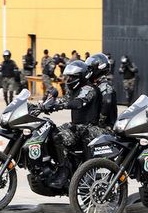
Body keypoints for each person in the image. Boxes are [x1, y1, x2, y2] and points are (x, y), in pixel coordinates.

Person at [38, 60, 101, 189]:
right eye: (67, 77)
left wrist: (58, 105)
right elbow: (64, 100)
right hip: (76, 126)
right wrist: (41, 106)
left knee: (59, 137)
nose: (68, 79)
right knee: (48, 133)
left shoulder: (88, 89)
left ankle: (64, 170)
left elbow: (78, 103)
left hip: (89, 128)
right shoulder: (74, 90)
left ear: (81, 76)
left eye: (72, 77)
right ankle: (54, 165)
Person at [86, 53, 118, 128]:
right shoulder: (96, 83)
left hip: (106, 128)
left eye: (91, 67)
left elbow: (107, 101)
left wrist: (101, 120)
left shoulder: (104, 85)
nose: (89, 70)